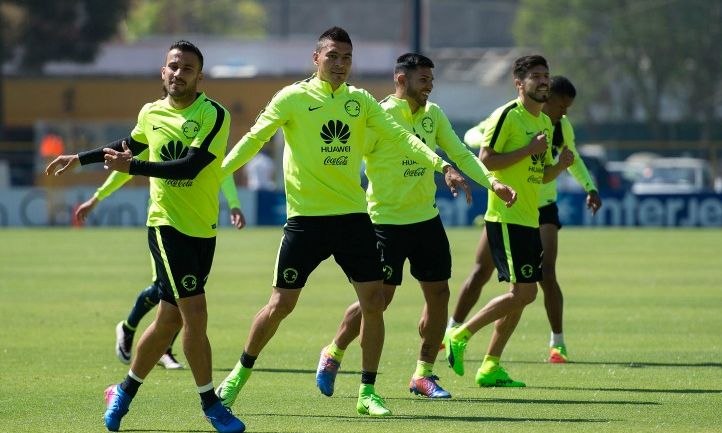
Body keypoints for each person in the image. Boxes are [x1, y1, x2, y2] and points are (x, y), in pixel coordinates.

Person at [214, 27, 471, 417]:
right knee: (281, 304)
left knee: (374, 303)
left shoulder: (361, 101)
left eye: (347, 58)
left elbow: (402, 139)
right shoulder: (293, 98)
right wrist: (218, 172)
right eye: (332, 56)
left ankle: (367, 392)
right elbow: (254, 138)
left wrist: (442, 165)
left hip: (353, 218)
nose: (340, 64)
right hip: (306, 221)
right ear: (316, 58)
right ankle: (238, 374)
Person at [45, 40, 245, 433]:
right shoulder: (150, 113)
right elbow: (127, 147)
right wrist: (79, 158)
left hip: (202, 229)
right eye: (173, 66)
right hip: (165, 225)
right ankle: (211, 405)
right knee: (195, 316)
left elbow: (188, 167)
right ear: (162, 71)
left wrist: (131, 164)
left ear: (199, 77)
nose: (178, 73)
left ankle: (121, 391)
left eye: (187, 68)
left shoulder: (214, 115)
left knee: (168, 320)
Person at [314, 53, 517, 400]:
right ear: (401, 80)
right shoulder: (377, 115)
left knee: (439, 295)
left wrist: (492, 182)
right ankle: (333, 351)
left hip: (426, 219)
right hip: (384, 223)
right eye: (423, 80)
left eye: (431, 80)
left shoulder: (433, 115)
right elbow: (348, 157)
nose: (430, 86)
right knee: (378, 300)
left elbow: (460, 153)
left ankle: (423, 373)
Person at [447, 76, 601, 364]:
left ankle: (556, 344)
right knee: (484, 273)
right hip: (508, 205)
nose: (564, 112)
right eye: (561, 105)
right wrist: (503, 145)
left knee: (542, 277)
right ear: (546, 97)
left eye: (568, 107)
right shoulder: (511, 117)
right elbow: (472, 137)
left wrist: (589, 187)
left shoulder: (558, 127)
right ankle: (454, 330)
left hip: (541, 208)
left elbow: (567, 160)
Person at [74, 171, 247, 370]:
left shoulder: (206, 138)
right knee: (171, 289)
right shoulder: (159, 138)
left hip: (197, 225)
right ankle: (139, 335)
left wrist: (234, 203)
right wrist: (97, 198)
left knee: (185, 292)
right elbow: (126, 167)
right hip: (165, 224)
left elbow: (222, 168)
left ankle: (145, 339)